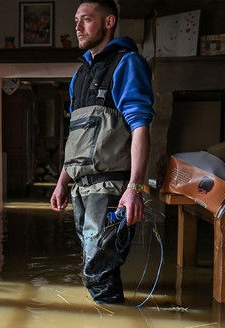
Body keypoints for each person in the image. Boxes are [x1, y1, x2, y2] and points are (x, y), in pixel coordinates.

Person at [50, 0, 155, 304]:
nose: (78, 27)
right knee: (94, 264)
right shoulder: (80, 75)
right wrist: (62, 182)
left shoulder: (128, 63)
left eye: (86, 19)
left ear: (109, 22)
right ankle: (109, 322)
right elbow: (78, 136)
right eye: (76, 20)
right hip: (81, 189)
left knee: (97, 271)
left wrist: (135, 188)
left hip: (110, 188)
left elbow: (140, 127)